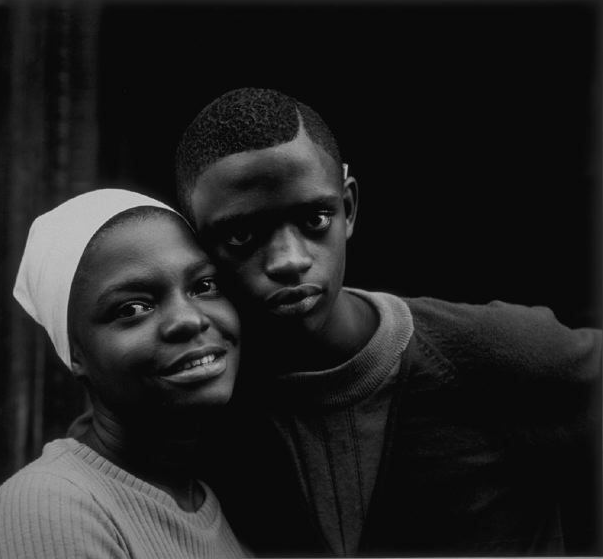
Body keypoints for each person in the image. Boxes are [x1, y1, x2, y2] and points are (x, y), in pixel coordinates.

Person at [172, 87, 602, 556]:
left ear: (348, 208)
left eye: (315, 218)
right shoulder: (201, 402)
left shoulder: (495, 351)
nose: (290, 260)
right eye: (241, 235)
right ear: (196, 247)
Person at [0, 189, 248, 558]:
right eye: (132, 308)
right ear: (75, 354)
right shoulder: (52, 509)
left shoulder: (208, 499)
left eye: (203, 286)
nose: (189, 320)